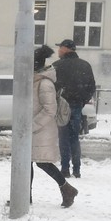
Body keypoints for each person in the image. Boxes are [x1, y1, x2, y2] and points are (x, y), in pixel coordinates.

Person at [34, 45, 79, 207]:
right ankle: (25, 196)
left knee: (41, 162)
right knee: (28, 162)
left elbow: (50, 109)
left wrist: (32, 125)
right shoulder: (37, 79)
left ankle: (67, 189)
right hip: (37, 129)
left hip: (41, 129)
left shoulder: (44, 83)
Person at [52, 39, 96, 178]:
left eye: (60, 48)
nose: (58, 50)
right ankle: (77, 169)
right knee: (74, 138)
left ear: (66, 49)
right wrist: (82, 101)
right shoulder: (85, 65)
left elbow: (52, 86)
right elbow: (91, 87)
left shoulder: (57, 66)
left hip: (62, 105)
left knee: (63, 137)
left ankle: (65, 168)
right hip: (77, 105)